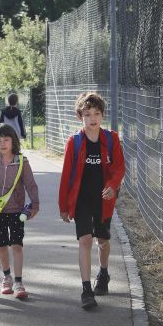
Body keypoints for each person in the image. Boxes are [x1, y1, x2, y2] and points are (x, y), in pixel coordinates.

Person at [58, 92, 125, 310]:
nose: (92, 118)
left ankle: (103, 273)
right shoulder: (74, 142)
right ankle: (86, 289)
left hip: (103, 200)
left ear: (102, 115)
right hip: (81, 201)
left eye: (96, 113)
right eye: (87, 114)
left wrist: (112, 186)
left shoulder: (111, 139)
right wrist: (64, 206)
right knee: (85, 241)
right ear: (80, 117)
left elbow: (118, 168)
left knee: (102, 241)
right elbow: (66, 175)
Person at [0, 123, 40, 298]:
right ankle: (6, 276)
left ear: (13, 141)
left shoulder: (21, 161)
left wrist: (35, 204)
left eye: (6, 140)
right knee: (1, 246)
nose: (2, 144)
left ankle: (19, 282)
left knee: (16, 245)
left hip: (17, 211)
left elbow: (30, 184)